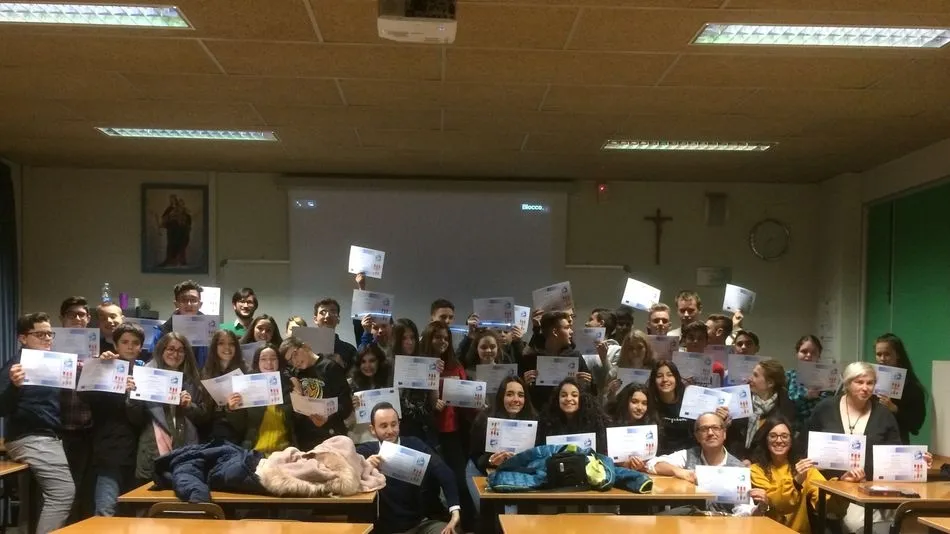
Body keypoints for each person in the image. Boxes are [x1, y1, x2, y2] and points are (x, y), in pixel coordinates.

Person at [806, 362, 903, 534]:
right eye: (859, 382)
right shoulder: (825, 408)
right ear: (848, 383)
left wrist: (917, 459)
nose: (865, 388)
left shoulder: (883, 414)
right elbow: (804, 447)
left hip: (869, 490)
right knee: (853, 524)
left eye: (870, 383)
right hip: (829, 488)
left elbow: (894, 453)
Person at [0, 313, 76, 533]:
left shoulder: (51, 363)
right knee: (62, 492)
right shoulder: (16, 366)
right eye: (40, 334)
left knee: (36, 500)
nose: (47, 339)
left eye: (49, 334)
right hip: (32, 438)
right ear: (23, 338)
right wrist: (14, 386)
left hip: (46, 437)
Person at [357, 403, 461, 534]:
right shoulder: (366, 451)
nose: (390, 431)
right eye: (383, 426)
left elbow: (443, 471)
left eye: (394, 424)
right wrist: (365, 467)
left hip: (420, 524)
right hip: (385, 528)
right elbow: (345, 476)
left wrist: (455, 511)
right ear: (373, 429)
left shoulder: (414, 444)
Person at [749, 416, 860, 534]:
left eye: (784, 436)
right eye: (773, 436)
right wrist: (796, 482)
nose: (779, 440)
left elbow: (827, 505)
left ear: (791, 440)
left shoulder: (805, 468)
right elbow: (778, 505)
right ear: (765, 440)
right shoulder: (756, 470)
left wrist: (842, 485)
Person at [128, 332, 206, 486]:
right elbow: (135, 419)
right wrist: (132, 397)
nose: (175, 354)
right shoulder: (145, 376)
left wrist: (189, 406)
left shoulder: (193, 380)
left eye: (180, 350)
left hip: (186, 450)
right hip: (153, 450)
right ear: (161, 350)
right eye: (170, 349)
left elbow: (203, 418)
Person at [81, 323, 141, 517]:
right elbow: (85, 396)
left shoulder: (145, 372)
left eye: (135, 343)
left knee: (130, 513)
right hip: (110, 449)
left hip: (137, 451)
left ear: (141, 347)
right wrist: (102, 368)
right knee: (106, 509)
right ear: (115, 345)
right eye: (125, 342)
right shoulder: (103, 366)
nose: (130, 346)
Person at [648, 412, 747, 514]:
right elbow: (652, 463)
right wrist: (678, 471)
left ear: (724, 433)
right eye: (704, 429)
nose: (710, 433)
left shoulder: (738, 468)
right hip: (687, 520)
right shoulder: (688, 455)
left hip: (723, 522)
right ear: (697, 436)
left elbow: (744, 509)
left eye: (715, 428)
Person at [57, 298, 95, 522]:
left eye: (82, 314)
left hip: (87, 429)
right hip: (56, 429)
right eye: (72, 314)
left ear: (88, 319)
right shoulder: (49, 348)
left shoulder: (96, 351)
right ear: (62, 318)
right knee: (60, 490)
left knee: (83, 488)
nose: (78, 318)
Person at [281, 336, 353, 450]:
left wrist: (327, 416)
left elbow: (346, 405)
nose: (295, 362)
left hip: (332, 436)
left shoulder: (330, 367)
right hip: (307, 440)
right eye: (290, 360)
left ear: (305, 346)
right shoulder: (295, 374)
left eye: (295, 354)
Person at [226, 344, 294, 456]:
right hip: (254, 451)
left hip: (284, 451)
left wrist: (299, 397)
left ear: (279, 361)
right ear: (257, 362)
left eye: (273, 359)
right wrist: (233, 410)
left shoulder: (290, 385)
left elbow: (296, 422)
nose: (269, 363)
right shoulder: (245, 385)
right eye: (263, 359)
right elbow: (240, 427)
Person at [519, 311, 593, 410]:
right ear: (555, 332)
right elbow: (520, 395)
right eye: (567, 328)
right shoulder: (532, 359)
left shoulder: (575, 357)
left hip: (567, 414)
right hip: (539, 414)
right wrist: (524, 384)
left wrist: (584, 384)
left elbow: (590, 393)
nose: (571, 331)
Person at [726, 359, 796, 462]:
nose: (750, 378)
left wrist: (753, 462)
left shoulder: (786, 409)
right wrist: (725, 424)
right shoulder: (740, 398)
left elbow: (780, 445)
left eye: (755, 375)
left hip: (764, 463)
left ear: (770, 383)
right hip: (735, 459)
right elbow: (733, 436)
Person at [872, 333, 927, 445]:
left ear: (897, 355)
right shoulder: (868, 382)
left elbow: (916, 423)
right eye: (879, 354)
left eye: (887, 354)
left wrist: (895, 409)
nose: (882, 359)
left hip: (897, 442)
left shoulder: (911, 387)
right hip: (871, 439)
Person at [199, 330, 248, 443]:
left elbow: (247, 419)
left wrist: (232, 410)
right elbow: (203, 414)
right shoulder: (206, 372)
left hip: (236, 431)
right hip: (209, 432)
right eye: (221, 343)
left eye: (231, 344)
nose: (227, 347)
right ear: (214, 347)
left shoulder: (246, 371)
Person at [538, 377, 608, 454]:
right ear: (557, 399)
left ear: (582, 399)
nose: (568, 399)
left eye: (574, 395)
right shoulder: (546, 424)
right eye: (563, 395)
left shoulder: (595, 423)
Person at [155, 280, 209, 367]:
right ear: (176, 304)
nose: (189, 304)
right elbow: (154, 361)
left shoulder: (210, 331)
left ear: (200, 304)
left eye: (193, 300)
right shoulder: (162, 332)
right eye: (184, 300)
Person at [346, 344, 391, 444]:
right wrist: (352, 409)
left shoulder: (388, 384)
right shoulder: (349, 385)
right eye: (363, 362)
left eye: (372, 361)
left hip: (386, 439)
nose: (367, 366)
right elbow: (346, 423)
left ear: (379, 361)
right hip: (360, 440)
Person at [785, 335, 831, 430]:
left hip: (819, 429)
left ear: (819, 355)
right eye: (804, 351)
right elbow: (784, 406)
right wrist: (806, 396)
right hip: (793, 429)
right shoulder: (788, 376)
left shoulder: (826, 378)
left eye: (814, 352)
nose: (809, 355)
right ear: (797, 353)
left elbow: (829, 407)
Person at [608, 383, 658, 471]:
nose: (640, 407)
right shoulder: (609, 423)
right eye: (634, 402)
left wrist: (641, 464)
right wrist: (622, 464)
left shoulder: (651, 426)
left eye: (644, 403)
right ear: (625, 402)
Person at [649, 360, 693, 455]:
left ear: (676, 378)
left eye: (670, 375)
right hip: (659, 457)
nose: (665, 379)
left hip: (688, 456)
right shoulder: (649, 404)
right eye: (659, 376)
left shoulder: (689, 402)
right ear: (654, 381)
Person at [605, 330, 656, 403]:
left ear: (647, 348)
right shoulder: (614, 373)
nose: (635, 352)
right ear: (625, 350)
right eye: (631, 348)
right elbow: (606, 403)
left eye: (640, 347)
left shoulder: (655, 371)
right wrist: (611, 393)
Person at [312, 298, 358, 372]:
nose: (327, 316)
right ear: (315, 319)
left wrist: (342, 366)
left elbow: (355, 376)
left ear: (338, 319)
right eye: (322, 312)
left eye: (332, 311)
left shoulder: (350, 350)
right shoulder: (306, 348)